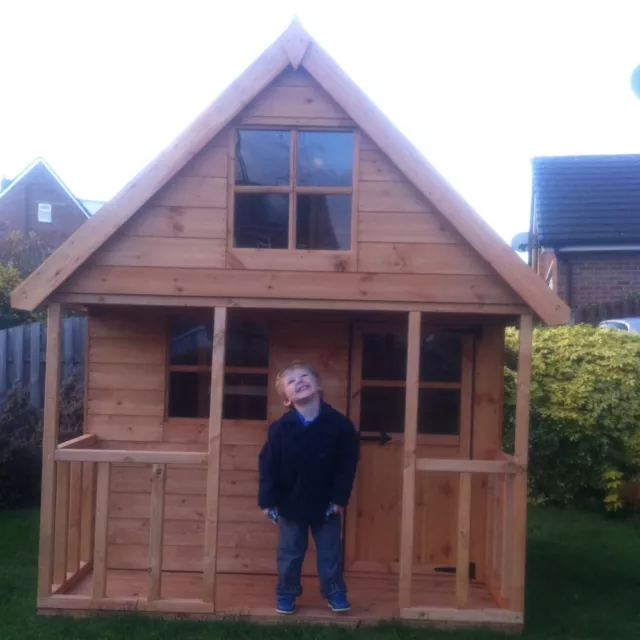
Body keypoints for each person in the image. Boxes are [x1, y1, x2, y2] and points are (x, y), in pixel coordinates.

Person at [258, 360, 360, 615]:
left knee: (330, 551)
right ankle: (287, 592)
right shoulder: (279, 429)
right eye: (291, 382)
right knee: (290, 552)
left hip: (327, 504)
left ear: (318, 386)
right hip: (290, 503)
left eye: (304, 377)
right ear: (287, 400)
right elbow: (268, 465)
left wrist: (339, 499)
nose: (299, 382)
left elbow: (347, 465)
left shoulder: (340, 425)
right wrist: (267, 501)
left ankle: (335, 591)